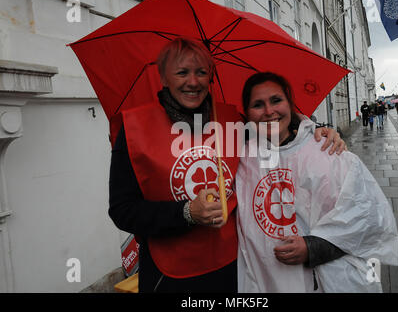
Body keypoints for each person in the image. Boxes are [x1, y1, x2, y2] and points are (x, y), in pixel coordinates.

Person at [108, 38, 347, 293]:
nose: (193, 82)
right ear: (164, 78)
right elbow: (122, 210)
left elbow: (277, 135)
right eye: (182, 72)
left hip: (235, 266)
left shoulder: (232, 119)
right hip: (170, 275)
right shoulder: (133, 129)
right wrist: (186, 213)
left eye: (201, 72)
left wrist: (314, 132)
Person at [236, 72, 398, 293]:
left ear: (290, 103)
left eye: (276, 100)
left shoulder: (328, 150)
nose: (268, 111)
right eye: (257, 104)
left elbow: (369, 219)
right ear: (246, 113)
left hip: (328, 282)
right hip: (267, 281)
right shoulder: (242, 157)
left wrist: (313, 247)